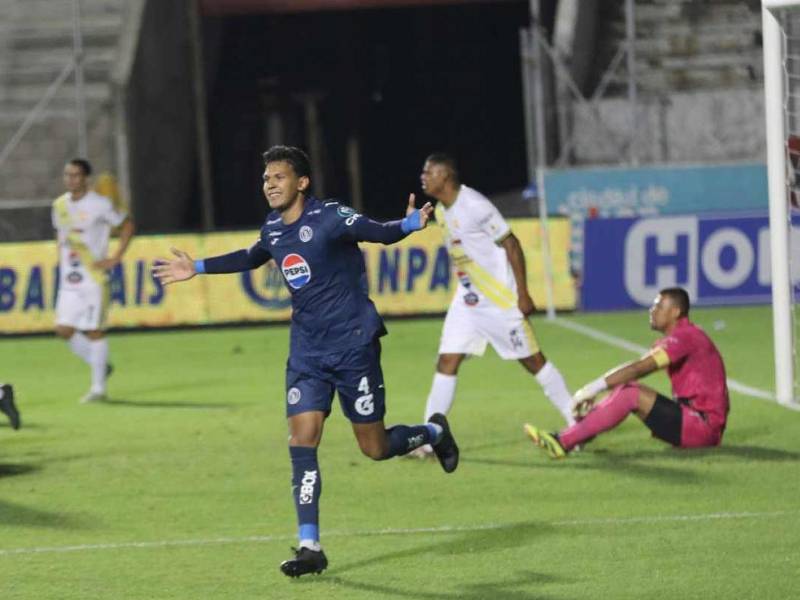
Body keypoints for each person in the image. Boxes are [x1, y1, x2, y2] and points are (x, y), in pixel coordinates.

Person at [153, 145, 459, 578]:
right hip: (308, 354)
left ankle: (433, 432)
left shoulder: (330, 217)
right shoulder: (274, 229)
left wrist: (407, 224)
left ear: (301, 182)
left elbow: (377, 230)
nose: (269, 185)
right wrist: (197, 267)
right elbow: (251, 256)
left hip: (354, 347)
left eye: (277, 177)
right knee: (302, 441)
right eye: (265, 179)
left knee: (373, 448)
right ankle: (310, 546)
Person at [409, 153, 575, 458]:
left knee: (533, 362)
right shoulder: (441, 211)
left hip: (499, 301)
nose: (423, 177)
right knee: (447, 362)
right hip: (467, 300)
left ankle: (576, 423)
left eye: (427, 172)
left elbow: (510, 242)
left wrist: (523, 293)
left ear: (444, 176)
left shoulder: (474, 205)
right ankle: (430, 437)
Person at [524, 287, 729, 458]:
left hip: (702, 427)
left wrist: (592, 388)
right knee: (625, 391)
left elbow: (639, 368)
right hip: (692, 420)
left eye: (659, 306)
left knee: (631, 393)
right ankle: (577, 436)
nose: (652, 310)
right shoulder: (681, 336)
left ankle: (563, 442)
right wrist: (597, 402)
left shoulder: (686, 337)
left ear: (675, 312)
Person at [52, 159, 135, 403]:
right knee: (63, 329)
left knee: (94, 329)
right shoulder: (59, 205)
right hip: (69, 279)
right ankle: (99, 363)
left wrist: (115, 257)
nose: (71, 179)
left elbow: (127, 225)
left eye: (76, 175)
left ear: (86, 178)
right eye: (68, 175)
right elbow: (61, 234)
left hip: (93, 278)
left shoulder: (100, 204)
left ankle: (98, 388)